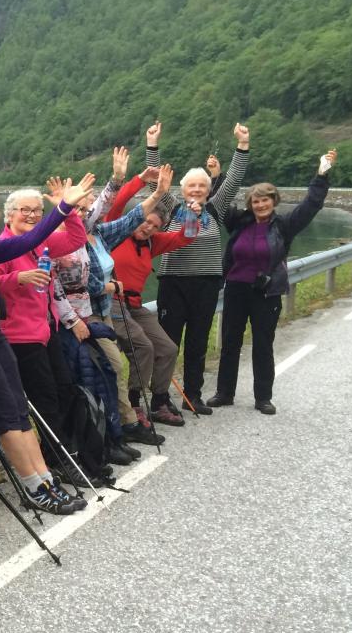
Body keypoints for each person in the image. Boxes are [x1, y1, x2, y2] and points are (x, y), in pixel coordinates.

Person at [0, 132, 97, 511]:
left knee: (17, 407)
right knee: (4, 411)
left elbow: (36, 238)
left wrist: (63, 209)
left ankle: (44, 481)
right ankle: (33, 487)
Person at [50, 160, 177, 460]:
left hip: (104, 310)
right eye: (79, 208)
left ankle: (119, 429)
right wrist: (107, 286)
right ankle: (118, 428)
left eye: (87, 208)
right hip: (83, 314)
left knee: (108, 372)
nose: (86, 212)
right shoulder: (64, 240)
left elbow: (133, 217)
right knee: (113, 367)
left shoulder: (101, 234)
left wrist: (157, 194)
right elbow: (76, 282)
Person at [208, 150, 337, 414]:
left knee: (263, 344)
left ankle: (263, 397)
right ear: (250, 204)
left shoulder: (284, 226)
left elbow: (310, 206)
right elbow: (219, 204)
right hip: (236, 289)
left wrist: (322, 174)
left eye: (265, 200)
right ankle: (224, 392)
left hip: (266, 292)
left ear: (273, 201)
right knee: (230, 342)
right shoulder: (239, 223)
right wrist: (216, 176)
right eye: (256, 201)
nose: (261, 205)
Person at [0, 178, 99, 490]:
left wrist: (64, 207)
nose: (31, 216)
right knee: (44, 399)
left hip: (47, 328)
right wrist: (19, 278)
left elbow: (76, 239)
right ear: (9, 215)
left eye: (37, 212)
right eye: (24, 211)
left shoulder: (42, 242)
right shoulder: (0, 246)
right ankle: (56, 459)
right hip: (19, 336)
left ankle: (63, 452)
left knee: (65, 389)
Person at [145, 121, 250, 414]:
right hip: (173, 283)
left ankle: (193, 395)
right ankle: (160, 398)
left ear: (208, 189)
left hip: (206, 284)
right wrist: (152, 145)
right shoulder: (172, 208)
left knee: (197, 343)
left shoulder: (215, 209)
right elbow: (155, 182)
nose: (197, 189)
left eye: (202, 185)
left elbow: (234, 179)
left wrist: (242, 145)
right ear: (183, 188)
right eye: (192, 185)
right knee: (168, 344)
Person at [105, 174, 196, 426]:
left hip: (134, 305)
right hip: (112, 301)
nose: (148, 228)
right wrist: (141, 180)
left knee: (167, 348)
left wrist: (190, 213)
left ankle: (158, 402)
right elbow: (117, 202)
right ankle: (135, 405)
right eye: (145, 222)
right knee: (143, 347)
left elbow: (186, 236)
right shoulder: (115, 231)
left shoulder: (151, 244)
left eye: (155, 226)